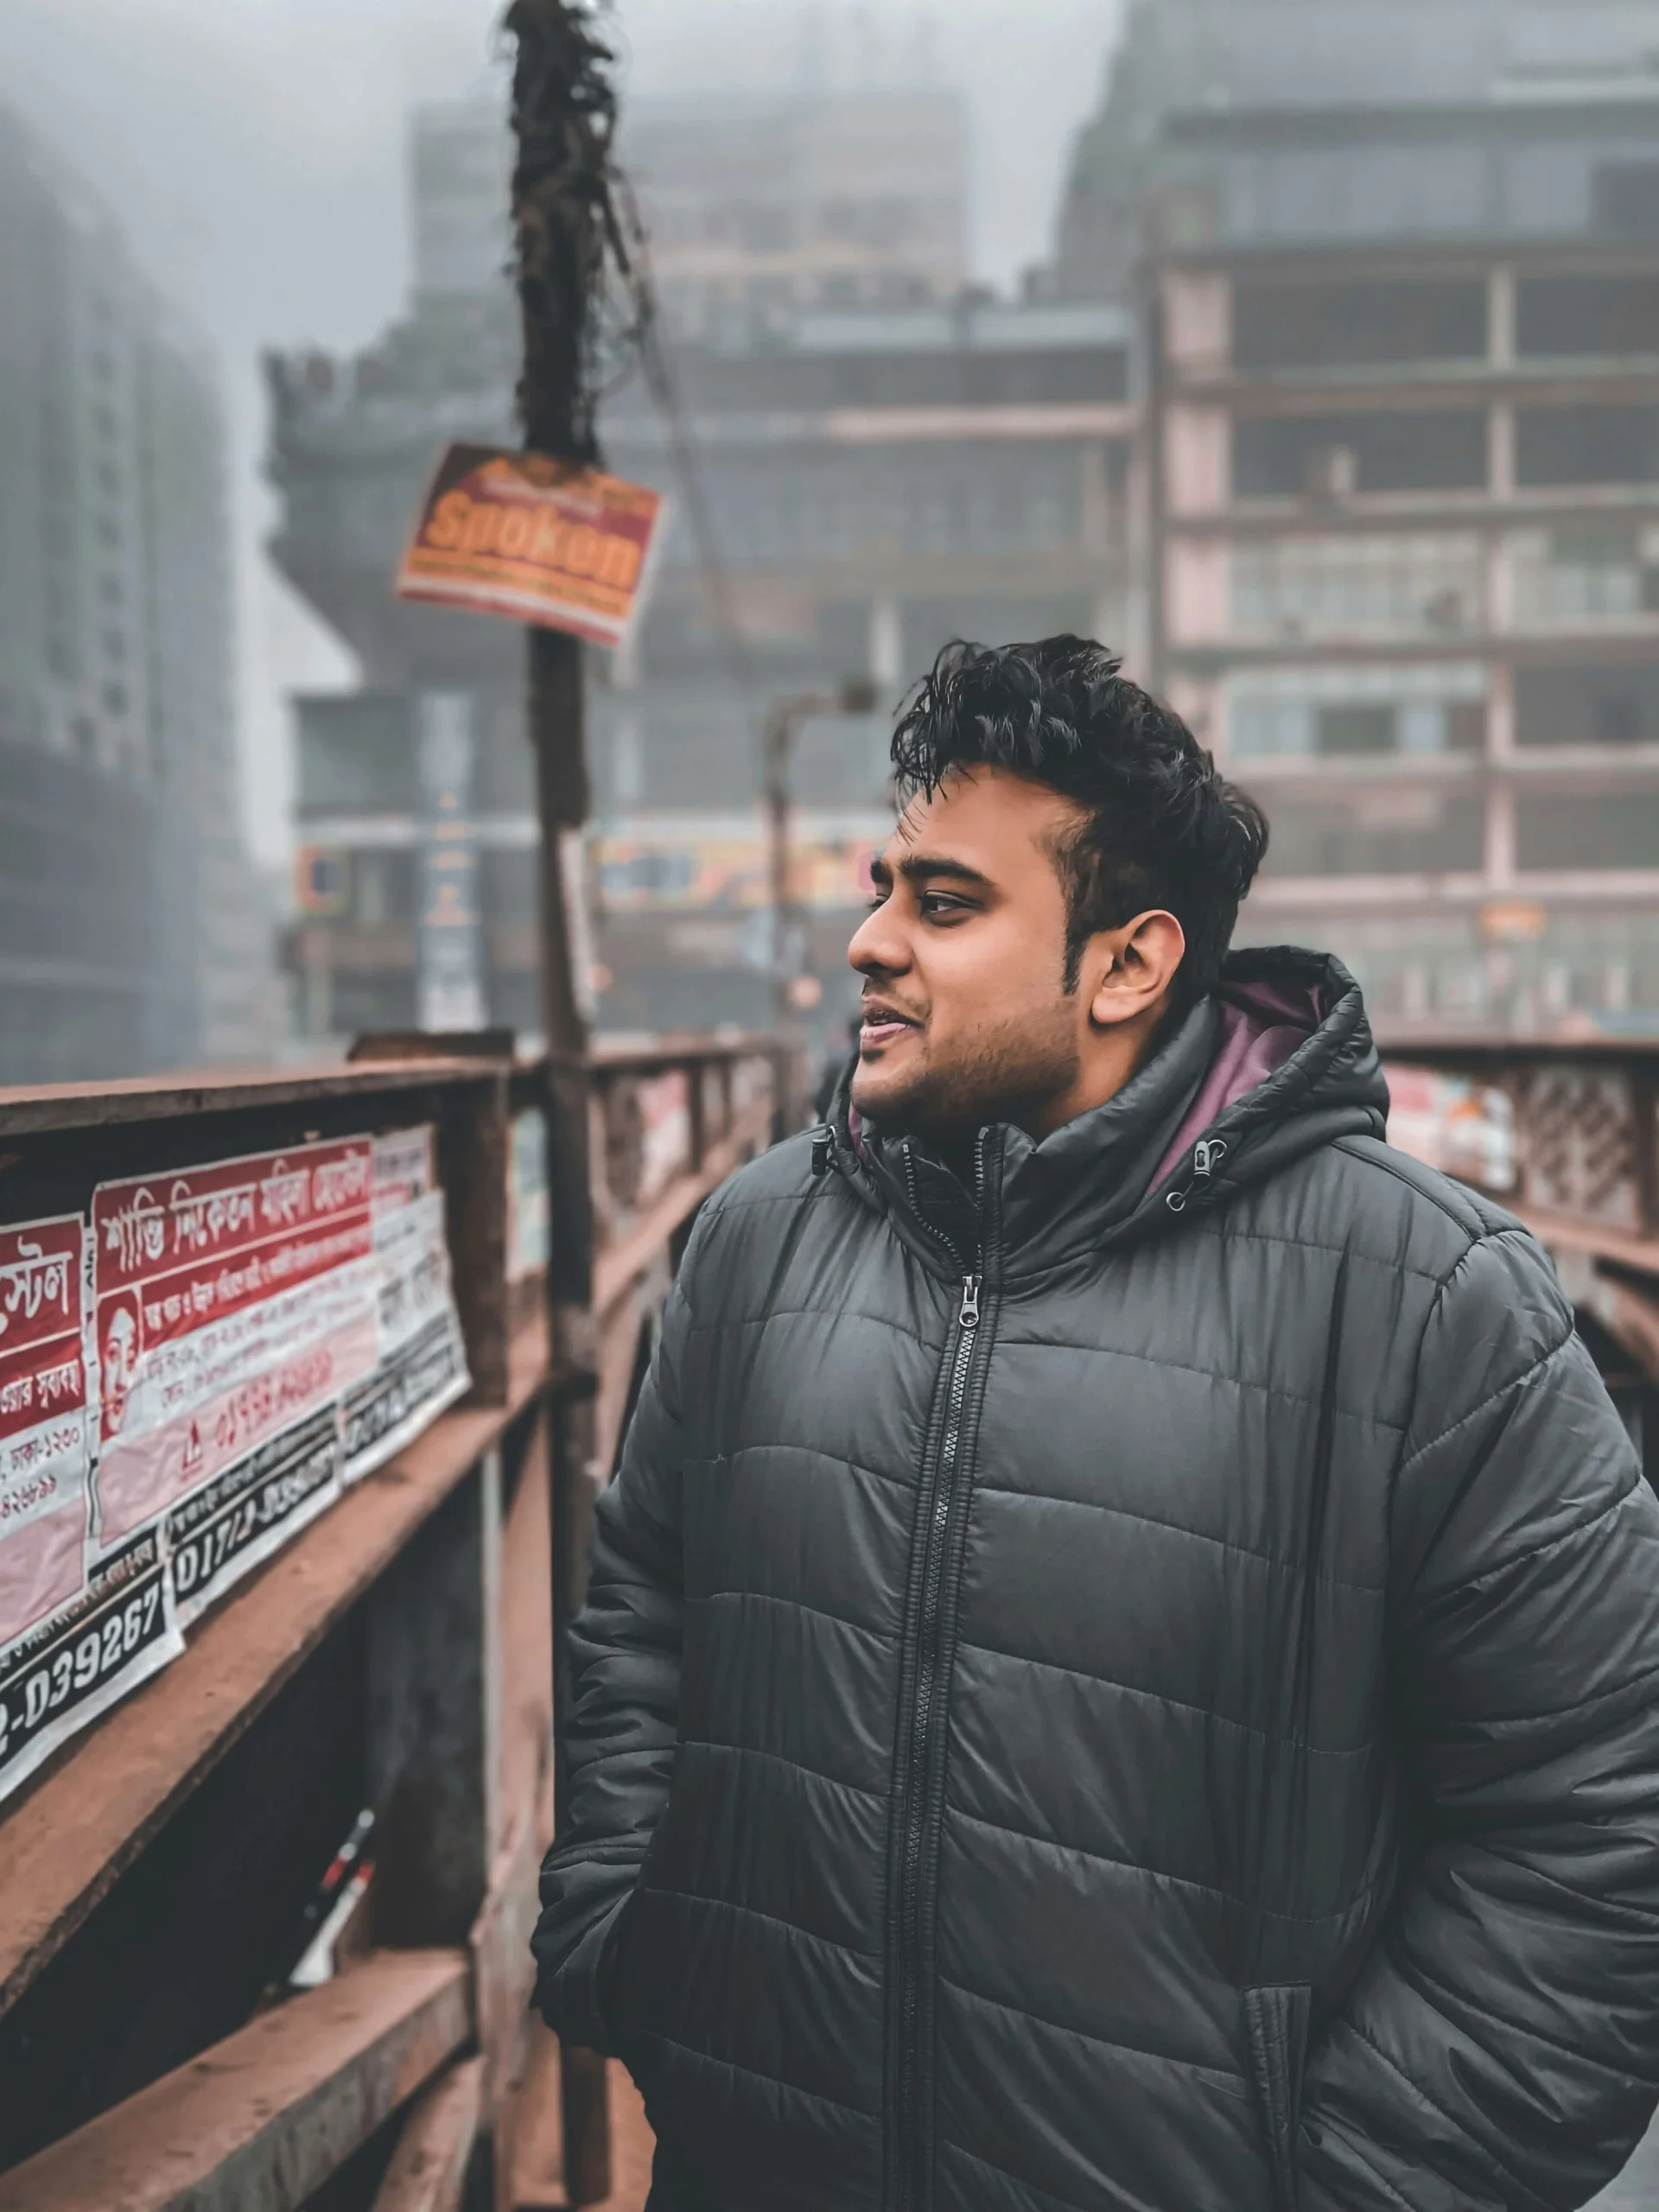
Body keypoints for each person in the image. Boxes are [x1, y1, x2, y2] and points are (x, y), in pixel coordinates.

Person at [533, 637, 1659, 2212]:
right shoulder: (754, 1243)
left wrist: (1346, 2186)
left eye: (944, 905)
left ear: (1128, 965)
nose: (867, 942)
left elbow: (1598, 1837)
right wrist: (631, 1940)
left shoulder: (1428, 1303)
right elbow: (643, 1608)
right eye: (883, 889)